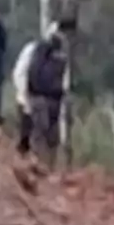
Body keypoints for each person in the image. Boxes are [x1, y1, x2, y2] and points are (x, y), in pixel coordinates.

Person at [12, 20, 73, 155]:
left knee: (36, 139)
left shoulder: (34, 49)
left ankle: (38, 169)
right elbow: (65, 85)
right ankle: (36, 168)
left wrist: (23, 98)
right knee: (36, 139)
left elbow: (19, 72)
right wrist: (24, 98)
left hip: (36, 100)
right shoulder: (54, 55)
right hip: (40, 101)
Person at [25, 31, 70, 171]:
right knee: (46, 132)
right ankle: (44, 165)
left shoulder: (39, 55)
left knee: (43, 132)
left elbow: (32, 76)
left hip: (42, 98)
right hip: (49, 99)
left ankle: (42, 164)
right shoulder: (58, 60)